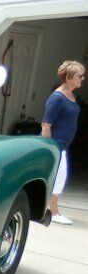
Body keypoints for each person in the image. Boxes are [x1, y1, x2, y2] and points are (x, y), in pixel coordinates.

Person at [41, 60, 84, 225]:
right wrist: (49, 149)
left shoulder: (70, 95)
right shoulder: (57, 98)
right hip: (56, 146)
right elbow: (46, 125)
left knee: (59, 178)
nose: (82, 78)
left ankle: (51, 209)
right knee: (58, 178)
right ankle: (53, 211)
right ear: (68, 77)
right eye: (79, 76)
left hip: (63, 146)